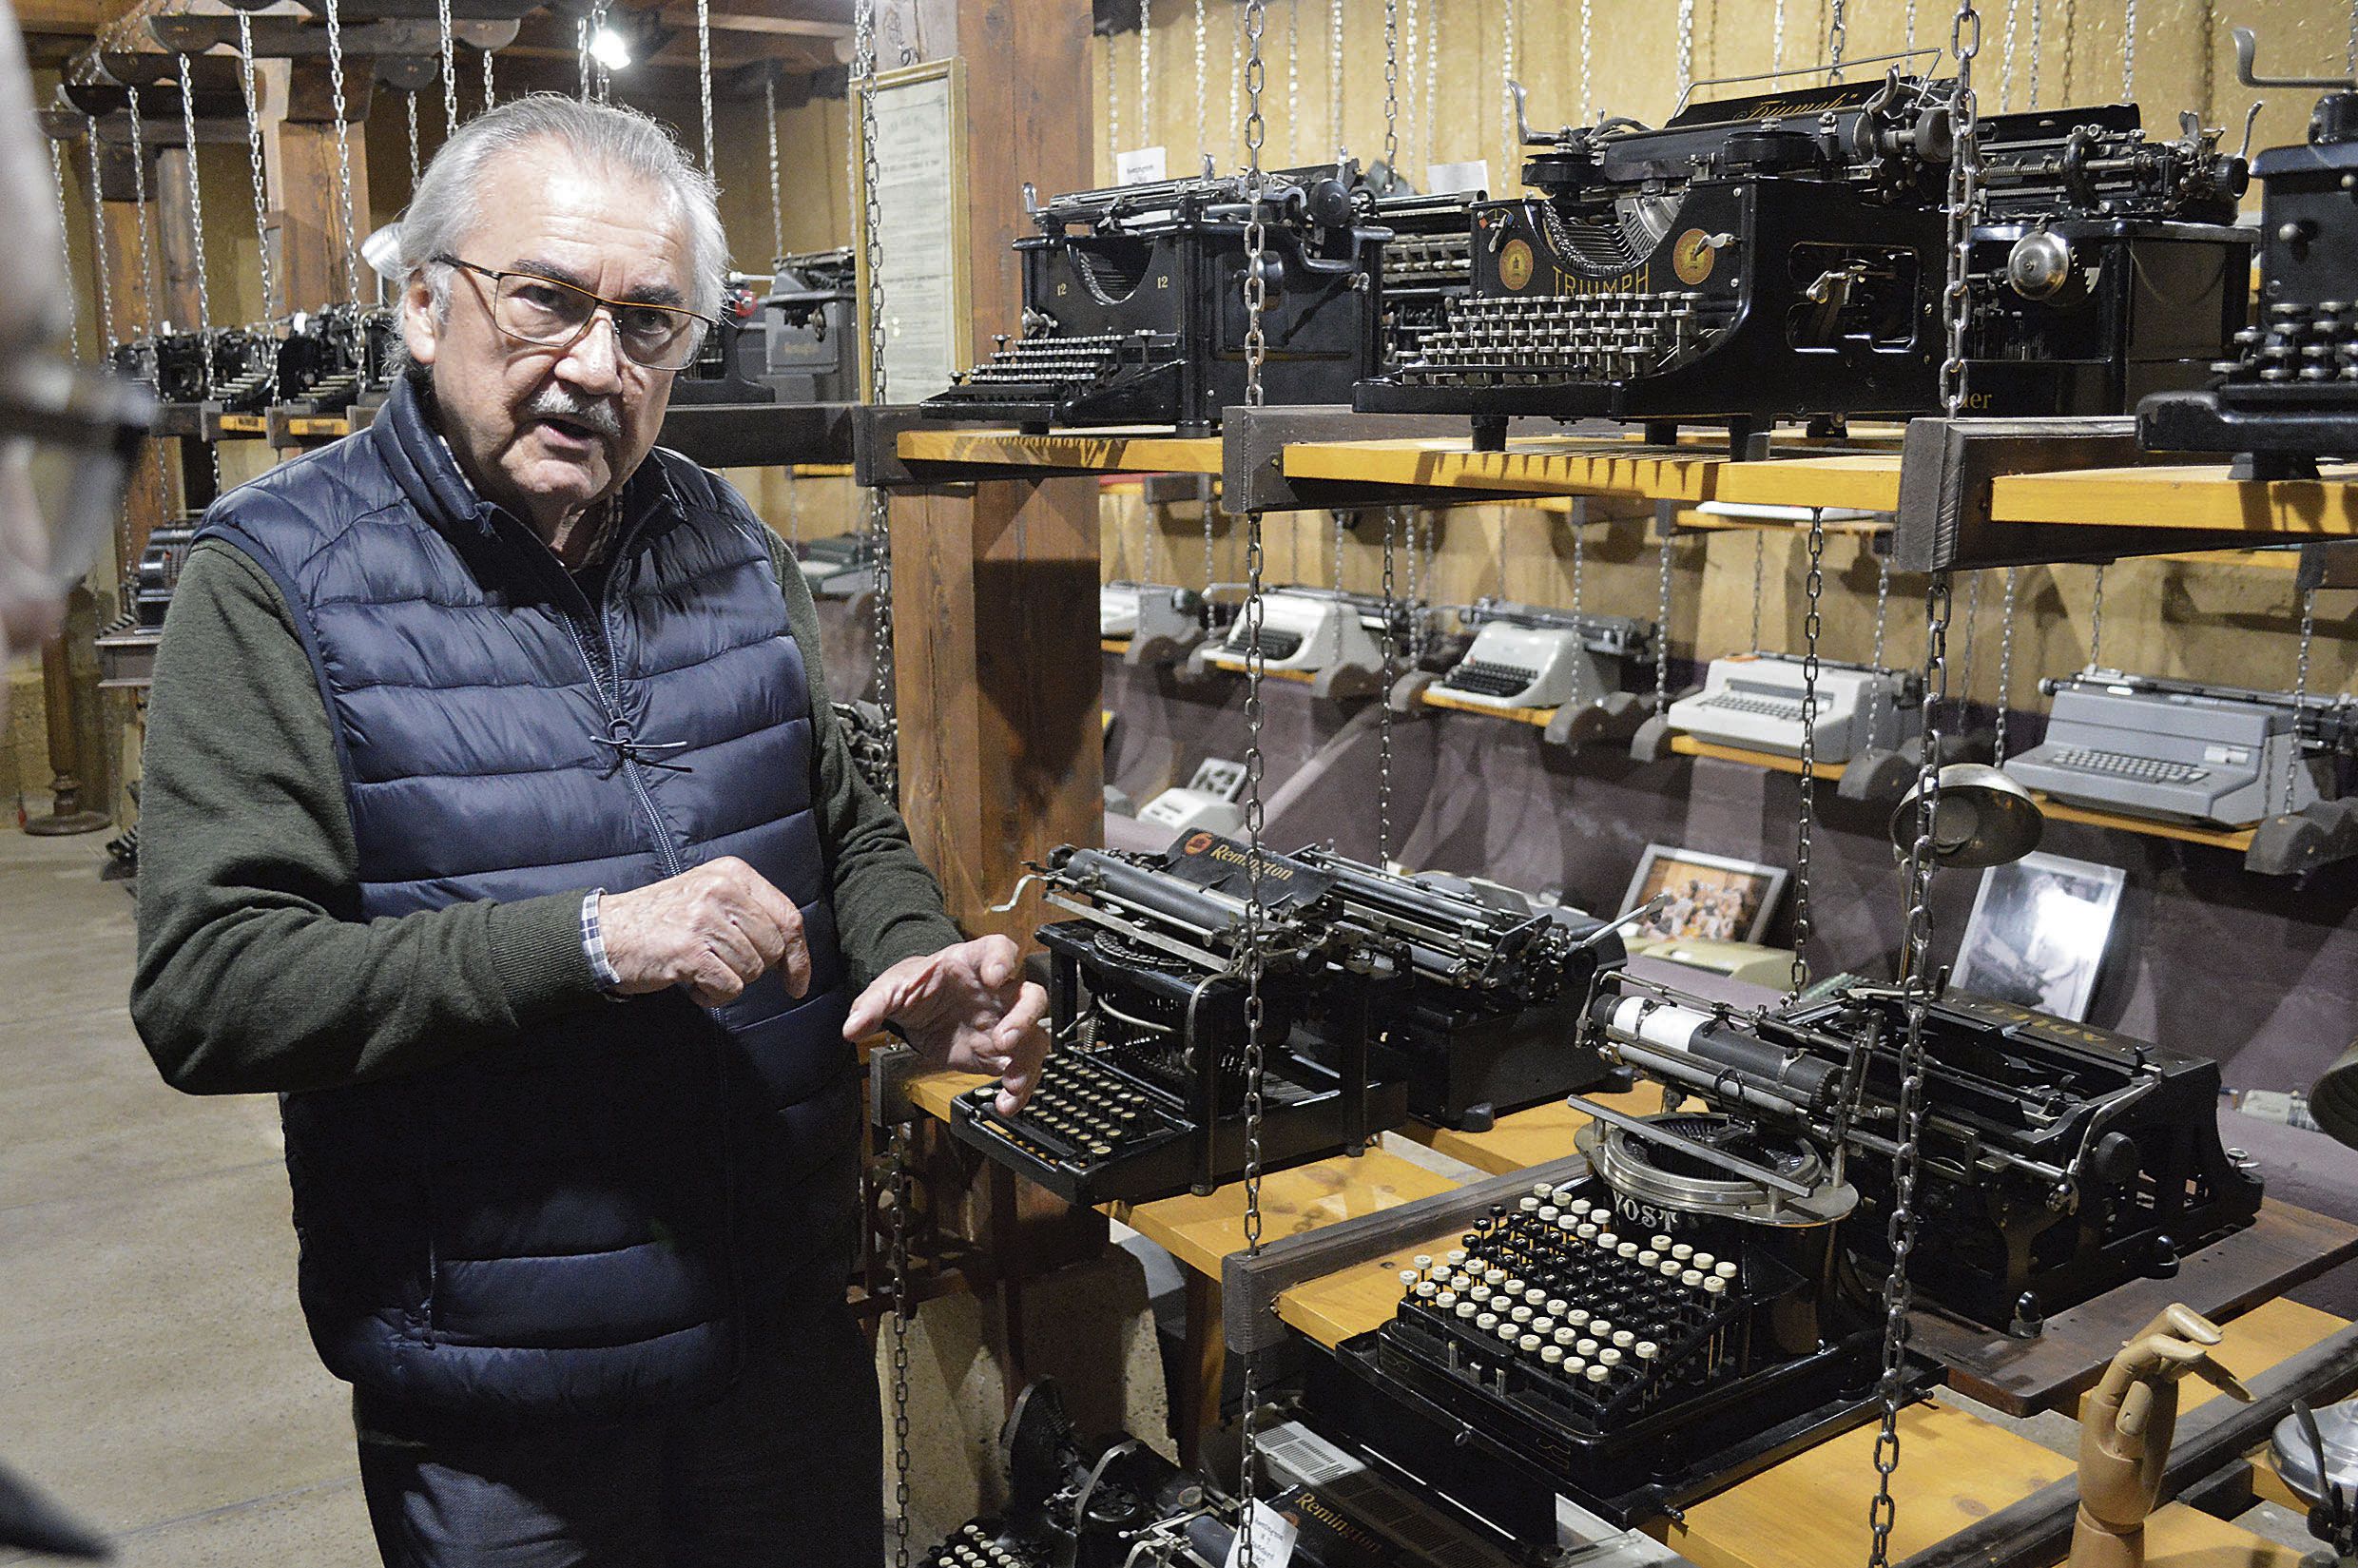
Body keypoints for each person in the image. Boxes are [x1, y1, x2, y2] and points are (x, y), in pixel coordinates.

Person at [128, 93, 1050, 1567]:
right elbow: (212, 988)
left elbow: (844, 823)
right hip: (503, 1405)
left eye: (648, 324)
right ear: (427, 306)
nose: (592, 366)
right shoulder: (277, 584)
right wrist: (588, 942)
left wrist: (920, 957)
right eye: (545, 299)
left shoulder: (735, 550)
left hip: (781, 1345)